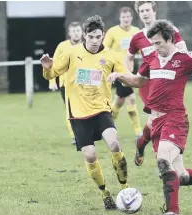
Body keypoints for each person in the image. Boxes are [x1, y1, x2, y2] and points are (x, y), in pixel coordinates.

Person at [108, 20, 192, 215]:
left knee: (163, 161)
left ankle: (172, 211)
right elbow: (138, 81)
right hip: (155, 121)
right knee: (181, 176)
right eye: (152, 44)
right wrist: (119, 76)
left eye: (158, 43)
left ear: (170, 39)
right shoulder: (152, 58)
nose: (154, 48)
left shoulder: (184, 58)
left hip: (175, 119)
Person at [41, 15, 130, 211]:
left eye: (98, 36)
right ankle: (105, 194)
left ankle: (125, 189)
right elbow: (53, 72)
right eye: (91, 37)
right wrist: (47, 69)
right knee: (90, 156)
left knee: (114, 143)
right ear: (84, 35)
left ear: (103, 35)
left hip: (101, 109)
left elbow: (127, 77)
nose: (94, 40)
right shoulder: (71, 53)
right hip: (79, 114)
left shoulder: (111, 55)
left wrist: (122, 76)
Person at [126, 1, 188, 167]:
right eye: (141, 11)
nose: (145, 13)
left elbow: (182, 48)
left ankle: (141, 143)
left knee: (154, 121)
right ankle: (160, 158)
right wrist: (129, 72)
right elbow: (129, 56)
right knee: (155, 119)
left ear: (154, 11)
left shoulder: (170, 30)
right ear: (138, 14)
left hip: (168, 82)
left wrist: (183, 62)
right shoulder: (137, 37)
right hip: (148, 85)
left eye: (147, 10)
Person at [103, 6, 143, 138]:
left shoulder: (136, 31)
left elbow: (140, 50)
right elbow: (104, 49)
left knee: (119, 101)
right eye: (123, 17)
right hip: (117, 71)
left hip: (131, 69)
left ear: (131, 18)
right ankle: (138, 131)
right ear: (120, 18)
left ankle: (108, 127)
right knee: (130, 98)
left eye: (128, 17)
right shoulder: (113, 32)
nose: (126, 19)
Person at [48, 22, 83, 145]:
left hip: (83, 84)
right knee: (70, 110)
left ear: (82, 32)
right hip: (66, 84)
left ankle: (86, 132)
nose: (76, 33)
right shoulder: (62, 46)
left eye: (78, 30)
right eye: (73, 31)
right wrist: (52, 81)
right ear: (69, 33)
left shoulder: (87, 46)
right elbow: (53, 64)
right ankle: (74, 135)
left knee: (85, 109)